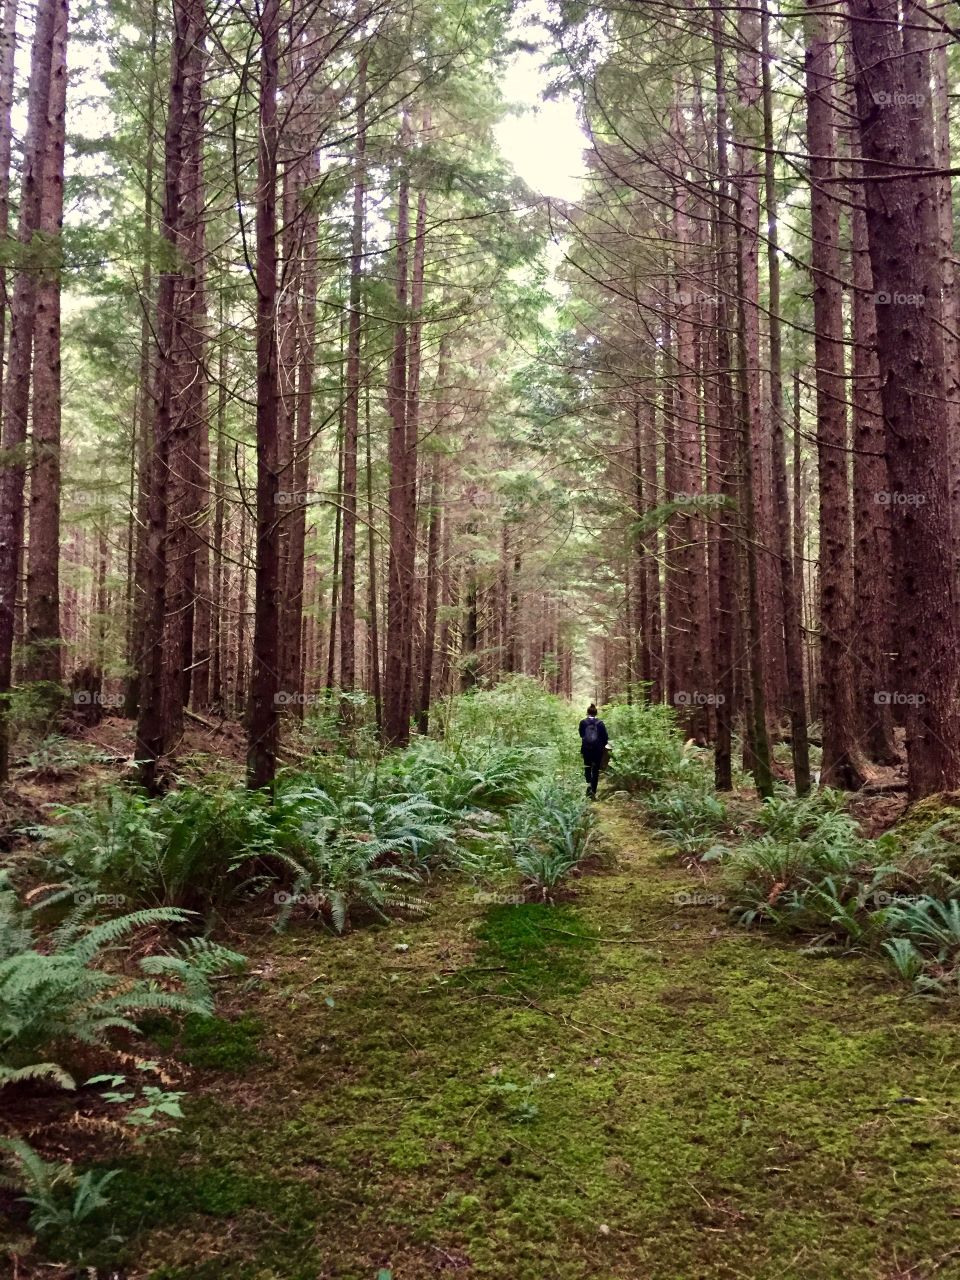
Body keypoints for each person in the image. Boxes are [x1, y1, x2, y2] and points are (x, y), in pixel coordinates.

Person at [579, 703, 608, 798]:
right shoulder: (600, 723)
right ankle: (593, 792)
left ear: (587, 712)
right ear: (596, 713)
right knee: (595, 770)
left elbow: (581, 735)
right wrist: (601, 746)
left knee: (587, 768)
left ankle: (588, 786)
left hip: (586, 749)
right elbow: (605, 737)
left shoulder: (583, 722)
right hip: (597, 750)